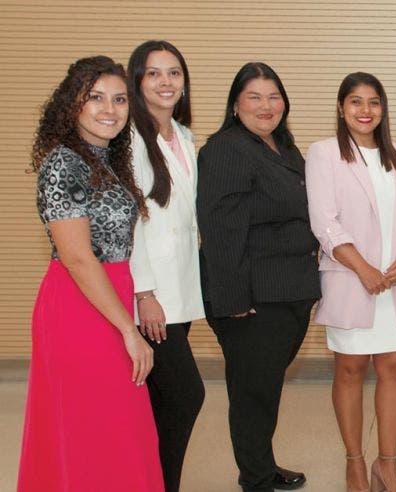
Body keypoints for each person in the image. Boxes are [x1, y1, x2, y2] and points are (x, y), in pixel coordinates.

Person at [18, 55, 163, 491]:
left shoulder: (105, 161)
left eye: (119, 99)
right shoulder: (64, 164)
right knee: (92, 426)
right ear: (73, 104)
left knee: (119, 425)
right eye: (95, 97)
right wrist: (129, 330)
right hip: (79, 304)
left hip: (110, 296)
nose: (109, 109)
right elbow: (79, 258)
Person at [197, 62, 320, 492]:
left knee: (264, 388)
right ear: (235, 104)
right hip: (252, 299)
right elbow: (220, 229)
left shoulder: (281, 147)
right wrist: (233, 300)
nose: (266, 106)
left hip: (287, 292)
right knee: (252, 394)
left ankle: (261, 467)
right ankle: (256, 479)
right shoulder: (226, 149)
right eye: (254, 97)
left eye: (273, 97)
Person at [306, 72, 396, 492]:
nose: (365, 110)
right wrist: (364, 269)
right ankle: (355, 462)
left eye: (373, 101)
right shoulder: (324, 153)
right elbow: (324, 221)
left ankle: (387, 464)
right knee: (350, 369)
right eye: (355, 101)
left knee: (395, 368)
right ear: (341, 107)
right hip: (351, 279)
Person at [127, 39, 205, 492]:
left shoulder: (185, 135)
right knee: (186, 396)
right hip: (151, 296)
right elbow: (132, 221)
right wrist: (144, 292)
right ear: (138, 81)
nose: (165, 82)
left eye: (174, 72)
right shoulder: (131, 138)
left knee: (160, 403)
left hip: (180, 289)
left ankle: (150, 481)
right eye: (154, 73)